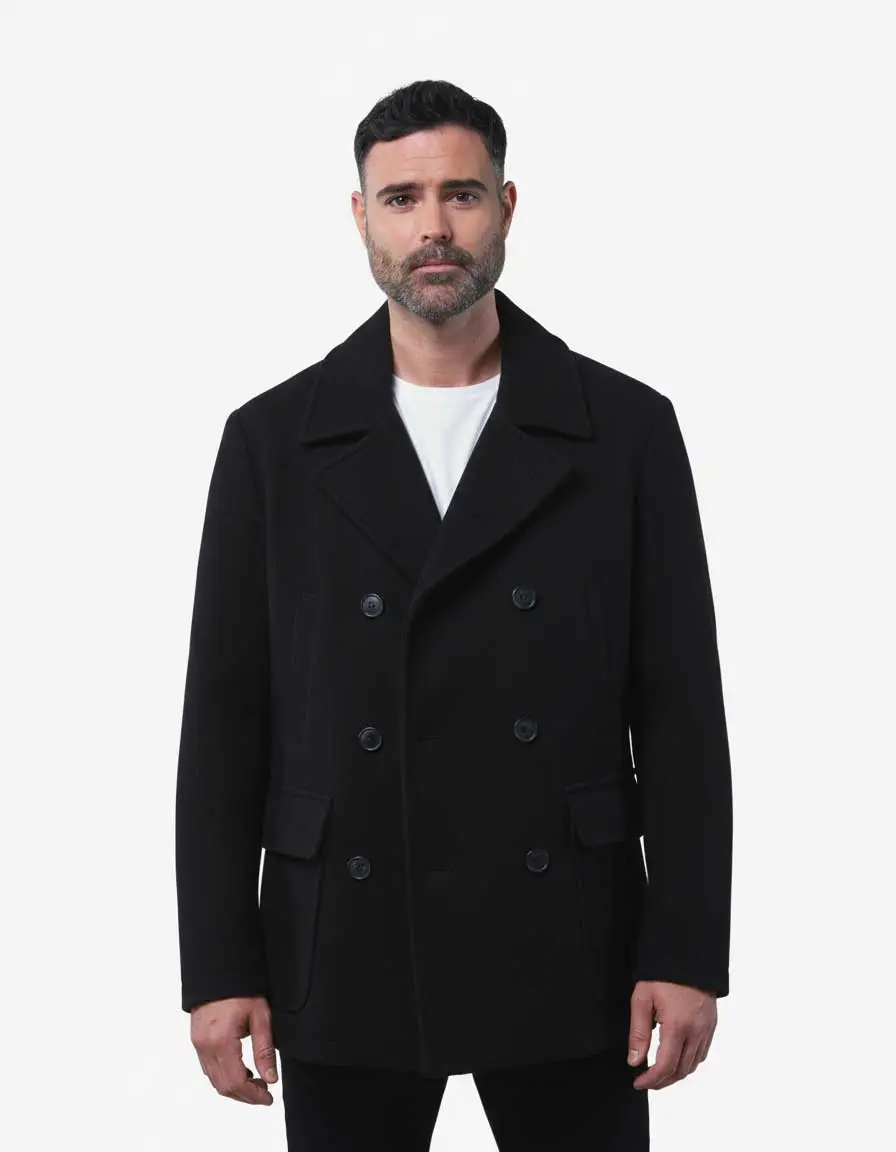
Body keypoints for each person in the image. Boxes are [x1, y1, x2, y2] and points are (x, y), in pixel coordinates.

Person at [175, 78, 733, 1151]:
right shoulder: (272, 441)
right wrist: (219, 965)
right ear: (360, 216)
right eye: (402, 198)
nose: (433, 226)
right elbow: (225, 723)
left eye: (460, 195)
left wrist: (685, 949)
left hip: (571, 937)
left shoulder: (623, 430)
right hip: (343, 936)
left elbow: (678, 714)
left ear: (506, 206)